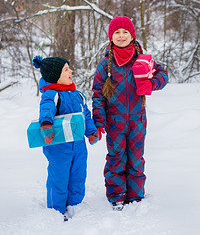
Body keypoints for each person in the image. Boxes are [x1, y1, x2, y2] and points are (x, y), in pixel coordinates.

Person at [92, 16, 168, 211]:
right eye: (117, 32)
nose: (121, 35)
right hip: (114, 121)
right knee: (116, 157)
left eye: (125, 32)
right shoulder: (105, 64)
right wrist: (99, 120)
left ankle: (135, 196)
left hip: (137, 120)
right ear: (111, 37)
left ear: (132, 35)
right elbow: (98, 94)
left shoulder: (142, 60)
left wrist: (151, 84)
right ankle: (117, 195)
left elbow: (163, 75)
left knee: (135, 158)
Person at [32, 55, 100, 221]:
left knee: (78, 175)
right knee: (59, 177)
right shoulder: (52, 94)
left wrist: (91, 131)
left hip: (78, 146)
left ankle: (75, 205)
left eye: (69, 68)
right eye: (66, 69)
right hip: (58, 146)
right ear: (56, 76)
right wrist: (46, 124)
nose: (71, 71)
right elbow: (46, 109)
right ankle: (57, 209)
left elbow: (86, 115)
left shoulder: (78, 95)